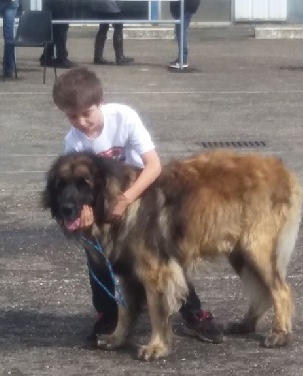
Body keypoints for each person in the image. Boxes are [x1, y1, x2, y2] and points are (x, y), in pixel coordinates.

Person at [51, 67, 224, 345]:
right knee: (98, 258)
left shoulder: (124, 117)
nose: (81, 122)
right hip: (105, 200)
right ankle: (108, 316)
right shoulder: (73, 140)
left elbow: (154, 166)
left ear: (101, 103)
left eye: (87, 113)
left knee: (160, 258)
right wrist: (85, 219)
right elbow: (79, 186)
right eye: (72, 116)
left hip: (144, 192)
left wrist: (126, 199)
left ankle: (193, 313)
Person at [91, 0, 134, 65]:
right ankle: (120, 57)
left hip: (99, 4)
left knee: (103, 27)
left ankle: (98, 56)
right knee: (118, 26)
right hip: (110, 5)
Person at [40, 0, 76, 68]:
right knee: (60, 31)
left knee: (54, 30)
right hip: (59, 7)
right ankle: (60, 58)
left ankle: (48, 56)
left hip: (55, 7)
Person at [168, 0, 200, 69]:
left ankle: (183, 59)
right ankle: (182, 58)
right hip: (185, 6)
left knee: (181, 31)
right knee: (180, 31)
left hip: (186, 6)